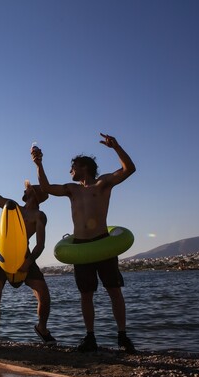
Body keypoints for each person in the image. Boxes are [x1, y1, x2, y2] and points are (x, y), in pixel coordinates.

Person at [32, 133, 136, 353]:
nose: (70, 170)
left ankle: (122, 336)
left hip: (102, 242)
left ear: (84, 167)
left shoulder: (103, 183)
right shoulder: (72, 189)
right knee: (86, 294)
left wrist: (116, 147)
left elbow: (129, 169)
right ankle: (90, 337)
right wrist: (39, 164)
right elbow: (47, 187)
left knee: (114, 291)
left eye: (74, 166)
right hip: (80, 246)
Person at [0, 154, 56, 347]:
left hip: (24, 257)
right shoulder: (12, 208)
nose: (29, 191)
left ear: (36, 195)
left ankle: (42, 328)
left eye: (32, 190)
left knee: (43, 293)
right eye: (29, 189)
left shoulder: (39, 216)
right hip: (0, 257)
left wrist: (27, 263)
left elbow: (40, 244)